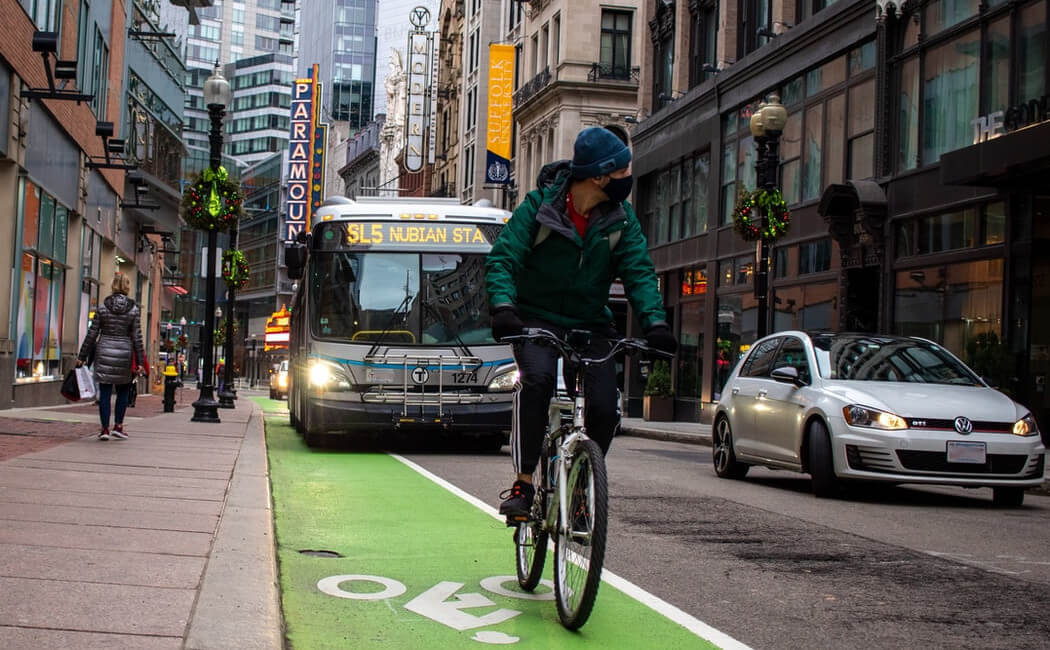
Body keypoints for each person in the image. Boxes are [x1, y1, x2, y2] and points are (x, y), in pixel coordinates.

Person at [485, 126, 677, 518]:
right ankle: (524, 483)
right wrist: (504, 306)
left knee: (606, 408)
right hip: (536, 319)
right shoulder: (539, 207)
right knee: (536, 382)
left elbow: (639, 273)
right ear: (600, 177)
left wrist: (655, 324)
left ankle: (581, 484)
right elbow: (504, 258)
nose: (629, 177)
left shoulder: (621, 220)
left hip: (591, 323)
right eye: (623, 171)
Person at [77, 272, 147, 441]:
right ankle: (118, 426)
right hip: (124, 352)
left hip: (104, 351)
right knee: (123, 391)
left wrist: (82, 356)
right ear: (127, 287)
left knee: (105, 393)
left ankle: (104, 429)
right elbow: (137, 337)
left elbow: (92, 334)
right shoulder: (133, 310)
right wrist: (140, 361)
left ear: (113, 285)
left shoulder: (102, 307)